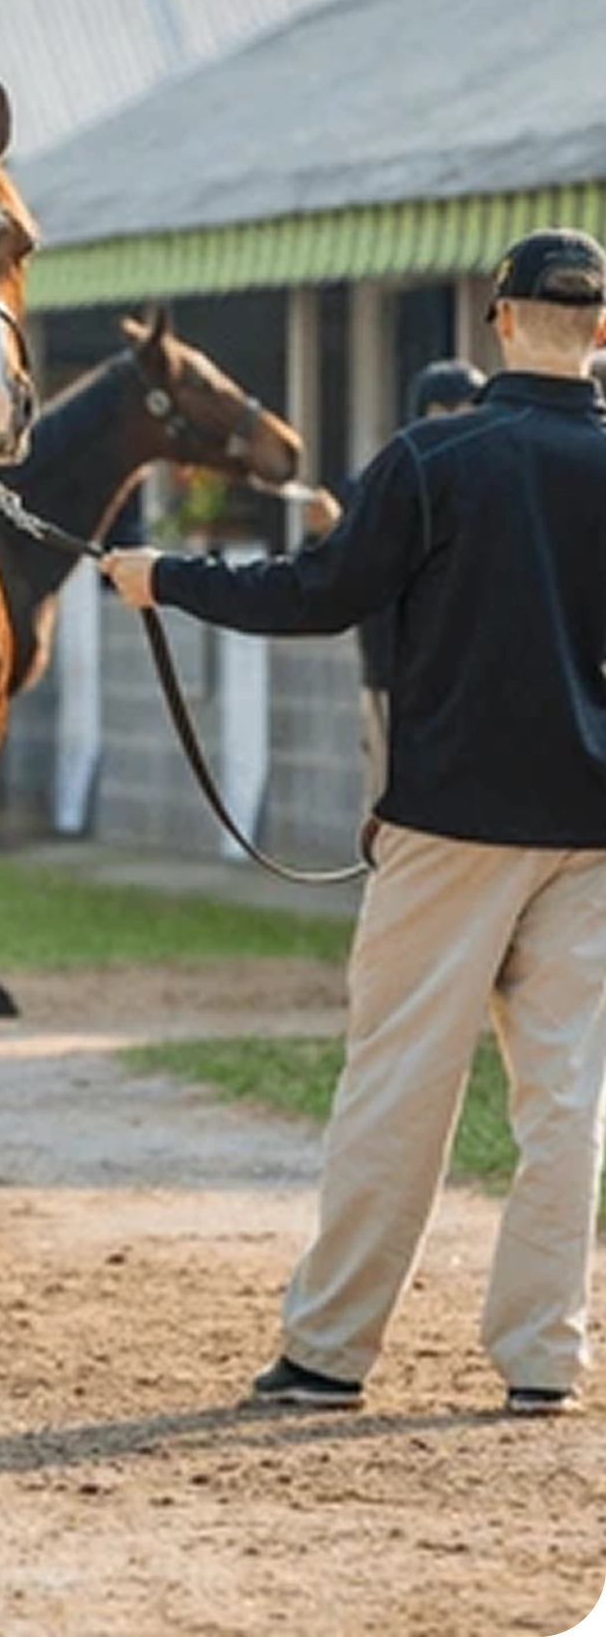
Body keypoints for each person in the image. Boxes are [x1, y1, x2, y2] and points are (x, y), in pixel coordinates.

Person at [100, 227, 606, 1417]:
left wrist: (165, 577)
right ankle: (542, 1355)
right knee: (567, 1099)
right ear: (599, 330)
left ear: (492, 324)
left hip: (444, 824)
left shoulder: (434, 456)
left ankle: (330, 1352)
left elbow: (317, 593)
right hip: (588, 829)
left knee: (396, 1086)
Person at [351, 358, 488, 802]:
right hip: (400, 684)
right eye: (442, 414)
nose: (455, 428)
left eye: (466, 413)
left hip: (476, 688)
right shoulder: (393, 482)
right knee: (393, 820)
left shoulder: (498, 486)